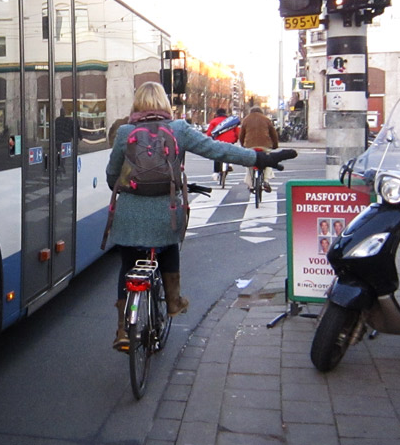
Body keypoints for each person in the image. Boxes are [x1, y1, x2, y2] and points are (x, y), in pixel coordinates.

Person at [105, 82, 296, 351]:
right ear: (164, 103)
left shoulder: (125, 132)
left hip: (130, 216)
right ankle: (173, 301)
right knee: (168, 247)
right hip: (166, 214)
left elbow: (112, 175)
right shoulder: (179, 129)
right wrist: (260, 159)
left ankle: (123, 330)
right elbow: (219, 150)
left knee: (128, 265)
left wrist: (127, 188)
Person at [239, 106, 279, 193]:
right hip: (265, 145)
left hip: (250, 145)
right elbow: (273, 134)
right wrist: (275, 145)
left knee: (249, 164)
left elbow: (241, 135)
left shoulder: (246, 119)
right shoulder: (266, 119)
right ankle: (266, 180)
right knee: (269, 161)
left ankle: (250, 184)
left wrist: (243, 145)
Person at [206, 108, 239, 181]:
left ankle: (216, 172)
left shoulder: (214, 121)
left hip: (218, 141)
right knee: (230, 152)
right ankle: (230, 164)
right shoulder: (231, 121)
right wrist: (235, 140)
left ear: (217, 114)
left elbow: (209, 133)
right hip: (230, 141)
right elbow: (237, 132)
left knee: (216, 156)